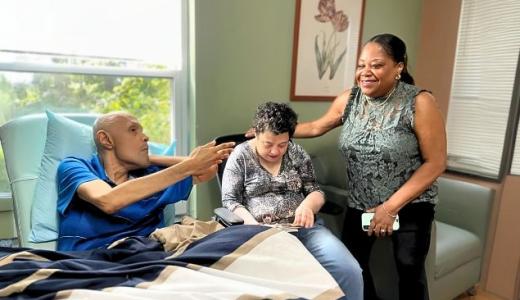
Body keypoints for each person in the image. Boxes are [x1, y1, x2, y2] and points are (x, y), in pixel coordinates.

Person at [286, 33, 447, 300]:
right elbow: (316, 126)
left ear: (399, 67)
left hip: (410, 205)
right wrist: (273, 131)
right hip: (361, 202)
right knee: (352, 266)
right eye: (361, 65)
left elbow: (436, 162)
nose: (365, 72)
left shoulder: (419, 102)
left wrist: (389, 208)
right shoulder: (350, 99)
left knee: (409, 272)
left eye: (376, 65)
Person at [222, 102, 363, 300]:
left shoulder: (296, 152)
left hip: (304, 230)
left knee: (349, 270)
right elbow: (230, 201)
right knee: (288, 283)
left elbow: (315, 191)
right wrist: (253, 227)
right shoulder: (240, 156)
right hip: (261, 233)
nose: (275, 151)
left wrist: (307, 205)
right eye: (268, 144)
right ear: (256, 133)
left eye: (282, 144)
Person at [56, 111, 235, 251]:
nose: (145, 137)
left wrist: (150, 159)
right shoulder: (75, 166)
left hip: (148, 254)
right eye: (133, 130)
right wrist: (189, 164)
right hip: (91, 261)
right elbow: (108, 200)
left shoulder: (153, 176)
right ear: (106, 140)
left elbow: (208, 170)